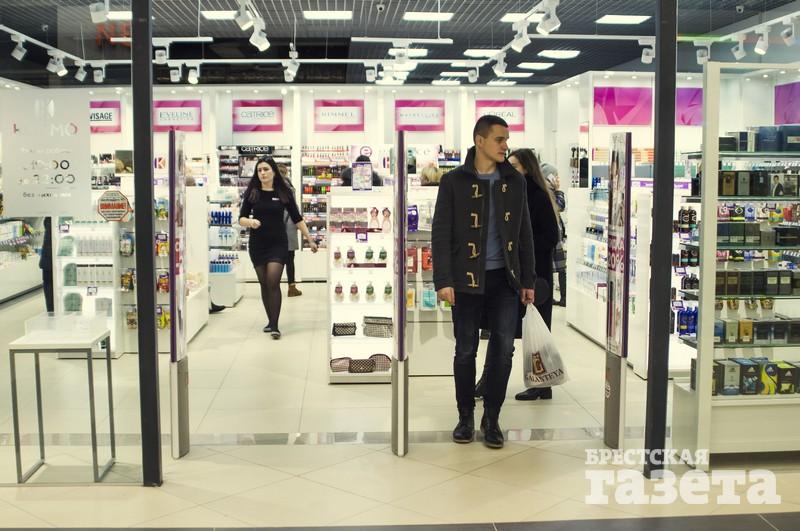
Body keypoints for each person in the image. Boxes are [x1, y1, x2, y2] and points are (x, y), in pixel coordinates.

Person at [432, 115, 536, 449]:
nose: (506, 145)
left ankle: (492, 418)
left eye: (506, 139)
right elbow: (441, 233)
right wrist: (443, 279)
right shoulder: (454, 182)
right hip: (465, 281)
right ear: (480, 141)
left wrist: (528, 278)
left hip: (505, 280)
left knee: (503, 351)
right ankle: (465, 416)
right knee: (465, 351)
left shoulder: (514, 181)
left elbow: (524, 232)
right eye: (499, 139)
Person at [239, 157, 317, 339]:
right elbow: (241, 218)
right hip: (258, 244)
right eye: (259, 170)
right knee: (264, 284)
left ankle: (274, 325)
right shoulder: (253, 192)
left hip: (278, 244)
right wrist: (250, 222)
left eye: (266, 169)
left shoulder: (283, 192)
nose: (262, 173)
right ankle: (270, 320)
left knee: (273, 282)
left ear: (273, 171)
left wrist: (309, 239)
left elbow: (297, 218)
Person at [541, 163, 567, 307]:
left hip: (554, 236)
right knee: (557, 268)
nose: (557, 178)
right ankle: (560, 297)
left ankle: (558, 297)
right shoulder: (548, 192)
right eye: (555, 176)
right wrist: (559, 191)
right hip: (553, 237)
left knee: (555, 268)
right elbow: (560, 206)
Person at [278, 164, 302, 298]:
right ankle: (291, 287)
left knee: (278, 257)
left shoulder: (276, 186)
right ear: (286, 173)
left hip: (280, 224)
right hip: (288, 224)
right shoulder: (287, 186)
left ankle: (274, 285)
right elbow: (292, 207)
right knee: (289, 258)